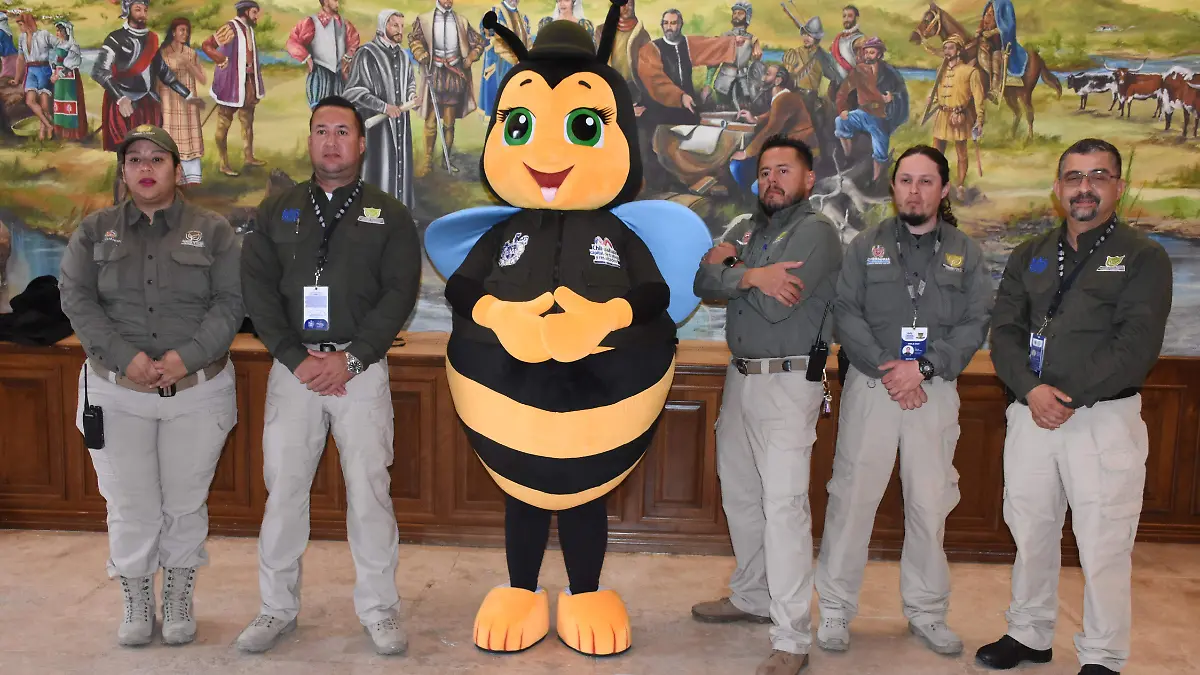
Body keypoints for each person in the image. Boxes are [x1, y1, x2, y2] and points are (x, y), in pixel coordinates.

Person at [978, 138, 1173, 675]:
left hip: (1101, 419)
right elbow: (1005, 332)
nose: (1084, 188)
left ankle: (1104, 655)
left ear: (1118, 187)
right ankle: (1029, 633)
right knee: (1030, 530)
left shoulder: (1144, 257)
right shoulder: (1030, 253)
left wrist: (1064, 396)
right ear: (1058, 188)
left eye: (1098, 176)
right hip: (1031, 414)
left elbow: (1135, 345)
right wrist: (1031, 391)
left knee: (1104, 543)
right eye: (1073, 177)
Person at [235, 96, 422, 656]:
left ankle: (379, 610)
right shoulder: (277, 211)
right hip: (293, 370)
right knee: (284, 491)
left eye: (343, 131)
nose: (332, 141)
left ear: (361, 144)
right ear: (310, 139)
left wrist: (354, 358)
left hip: (359, 370)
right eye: (321, 130)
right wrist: (296, 358)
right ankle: (276, 608)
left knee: (369, 492)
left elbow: (399, 294)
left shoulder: (389, 215)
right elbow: (258, 294)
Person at [58, 125, 243, 648]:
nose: (145, 168)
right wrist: (127, 359)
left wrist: (187, 357)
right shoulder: (94, 231)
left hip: (198, 390)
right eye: (134, 159)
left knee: (185, 503)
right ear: (123, 172)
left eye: (157, 159)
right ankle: (137, 599)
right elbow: (76, 298)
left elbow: (231, 302)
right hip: (117, 391)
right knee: (130, 505)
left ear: (177, 171)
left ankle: (179, 597)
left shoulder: (214, 231)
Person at [815, 145, 993, 657]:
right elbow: (845, 312)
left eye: (926, 181)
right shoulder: (865, 245)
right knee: (851, 500)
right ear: (893, 188)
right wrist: (888, 368)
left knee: (929, 503)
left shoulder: (965, 252)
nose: (915, 191)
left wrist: (924, 368)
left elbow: (976, 321)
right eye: (906, 181)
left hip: (933, 391)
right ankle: (835, 610)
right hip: (873, 388)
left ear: (943, 189)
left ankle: (928, 613)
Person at [692, 136, 844, 675]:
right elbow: (703, 281)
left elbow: (779, 308)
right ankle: (752, 595)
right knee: (740, 495)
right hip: (740, 379)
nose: (771, 180)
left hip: (788, 382)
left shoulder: (816, 231)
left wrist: (734, 270)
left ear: (808, 179)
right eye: (764, 172)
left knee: (783, 508)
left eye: (784, 170)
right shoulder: (753, 229)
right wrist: (754, 275)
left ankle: (792, 637)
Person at [92, 0, 202, 203]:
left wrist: (188, 95)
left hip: (148, 105)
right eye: (138, 9)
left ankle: (150, 201)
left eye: (145, 9)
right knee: (125, 159)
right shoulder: (115, 38)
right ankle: (119, 207)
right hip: (124, 105)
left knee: (151, 155)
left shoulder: (151, 39)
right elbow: (99, 71)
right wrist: (121, 98)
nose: (143, 13)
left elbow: (164, 73)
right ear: (127, 11)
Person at [343, 9, 418, 208]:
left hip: (400, 124)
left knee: (400, 165)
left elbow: (410, 82)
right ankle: (374, 213)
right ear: (382, 26)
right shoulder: (366, 54)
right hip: (376, 127)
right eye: (395, 25)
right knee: (378, 167)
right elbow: (353, 91)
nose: (400, 30)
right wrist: (383, 107)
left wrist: (412, 96)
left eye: (401, 26)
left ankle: (399, 210)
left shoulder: (403, 56)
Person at [409, 0, 486, 174]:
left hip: (454, 75)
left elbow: (479, 42)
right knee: (430, 122)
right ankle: (427, 162)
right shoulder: (424, 20)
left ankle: (446, 160)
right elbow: (414, 39)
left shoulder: (461, 21)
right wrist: (420, 53)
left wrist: (471, 57)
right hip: (434, 74)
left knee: (449, 123)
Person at [729, 64, 816, 200]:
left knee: (752, 180)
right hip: (787, 148)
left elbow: (771, 129)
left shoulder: (784, 99)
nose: (763, 78)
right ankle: (750, 199)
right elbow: (773, 114)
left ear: (778, 80)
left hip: (798, 152)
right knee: (742, 167)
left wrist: (746, 152)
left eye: (768, 74)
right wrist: (755, 119)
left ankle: (756, 198)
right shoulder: (782, 96)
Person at [202, 0, 267, 177]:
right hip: (231, 83)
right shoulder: (229, 28)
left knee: (248, 120)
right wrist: (221, 59)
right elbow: (207, 45)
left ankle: (249, 157)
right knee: (224, 122)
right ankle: (224, 164)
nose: (257, 16)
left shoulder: (249, 29)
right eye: (254, 12)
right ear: (245, 12)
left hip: (249, 82)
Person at [834, 36, 907, 183]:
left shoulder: (889, 72)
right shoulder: (859, 70)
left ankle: (876, 180)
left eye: (872, 52)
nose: (868, 55)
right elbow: (843, 90)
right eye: (866, 52)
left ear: (879, 54)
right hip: (862, 113)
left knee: (880, 152)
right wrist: (842, 109)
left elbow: (901, 90)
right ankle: (849, 158)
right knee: (840, 122)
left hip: (880, 116)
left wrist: (892, 97)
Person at [929, 35, 985, 201]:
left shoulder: (970, 71)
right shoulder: (940, 70)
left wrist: (979, 119)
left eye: (951, 48)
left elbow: (979, 98)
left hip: (959, 116)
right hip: (942, 115)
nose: (947, 51)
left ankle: (960, 186)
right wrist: (933, 99)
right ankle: (938, 183)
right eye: (945, 48)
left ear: (959, 51)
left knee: (961, 153)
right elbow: (937, 91)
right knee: (936, 153)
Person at [157, 18, 206, 184]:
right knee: (170, 135)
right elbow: (158, 78)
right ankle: (170, 176)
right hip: (169, 101)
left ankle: (191, 177)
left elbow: (202, 79)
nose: (185, 34)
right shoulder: (163, 53)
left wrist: (188, 64)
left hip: (188, 102)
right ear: (173, 32)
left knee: (188, 136)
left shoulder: (191, 53)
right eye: (181, 30)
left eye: (187, 31)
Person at [286, 0, 361, 108]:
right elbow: (293, 41)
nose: (338, 4)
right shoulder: (311, 22)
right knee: (320, 109)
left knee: (340, 108)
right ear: (325, 1)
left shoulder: (345, 24)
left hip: (339, 75)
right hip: (319, 73)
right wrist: (307, 58)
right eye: (335, 0)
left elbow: (354, 42)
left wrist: (348, 57)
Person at [478, 0, 531, 119]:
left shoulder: (522, 16)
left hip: (520, 66)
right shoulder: (495, 13)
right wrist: (516, 59)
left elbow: (528, 40)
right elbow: (497, 43)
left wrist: (527, 58)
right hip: (501, 67)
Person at [11, 11, 56, 140]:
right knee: (30, 101)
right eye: (19, 25)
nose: (20, 28)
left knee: (44, 103)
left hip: (44, 69)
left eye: (21, 24)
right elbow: (20, 58)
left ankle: (43, 131)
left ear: (28, 23)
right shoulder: (22, 38)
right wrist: (16, 78)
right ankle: (49, 125)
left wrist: (56, 69)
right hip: (30, 70)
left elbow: (60, 47)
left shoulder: (43, 35)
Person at [50, 19, 87, 141]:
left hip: (70, 79)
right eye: (57, 30)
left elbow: (69, 66)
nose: (57, 33)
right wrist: (53, 73)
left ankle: (73, 134)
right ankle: (61, 133)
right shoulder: (59, 45)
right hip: (60, 80)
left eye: (60, 30)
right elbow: (55, 61)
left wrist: (58, 75)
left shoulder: (73, 46)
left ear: (66, 32)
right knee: (60, 102)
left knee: (70, 102)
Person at [829, 5, 865, 82]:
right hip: (836, 81)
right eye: (844, 16)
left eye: (850, 16)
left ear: (856, 18)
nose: (846, 19)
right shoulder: (838, 38)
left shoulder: (861, 39)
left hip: (853, 82)